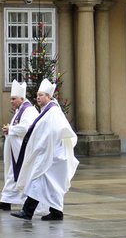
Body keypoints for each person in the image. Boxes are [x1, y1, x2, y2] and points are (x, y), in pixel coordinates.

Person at [11, 79, 79, 221]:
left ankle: (28, 212)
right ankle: (56, 212)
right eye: (37, 95)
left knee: (37, 181)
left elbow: (56, 132)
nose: (38, 98)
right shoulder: (48, 111)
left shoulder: (53, 111)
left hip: (52, 156)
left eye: (41, 95)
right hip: (50, 155)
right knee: (53, 186)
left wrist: (42, 147)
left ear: (49, 96)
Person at [0, 80, 38, 211]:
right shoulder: (19, 110)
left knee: (19, 175)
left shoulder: (29, 110)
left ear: (22, 98)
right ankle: (6, 201)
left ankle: (17, 202)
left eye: (13, 99)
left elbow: (27, 127)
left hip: (23, 150)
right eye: (10, 99)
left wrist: (11, 129)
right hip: (16, 150)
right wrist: (9, 129)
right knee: (12, 174)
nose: (11, 101)